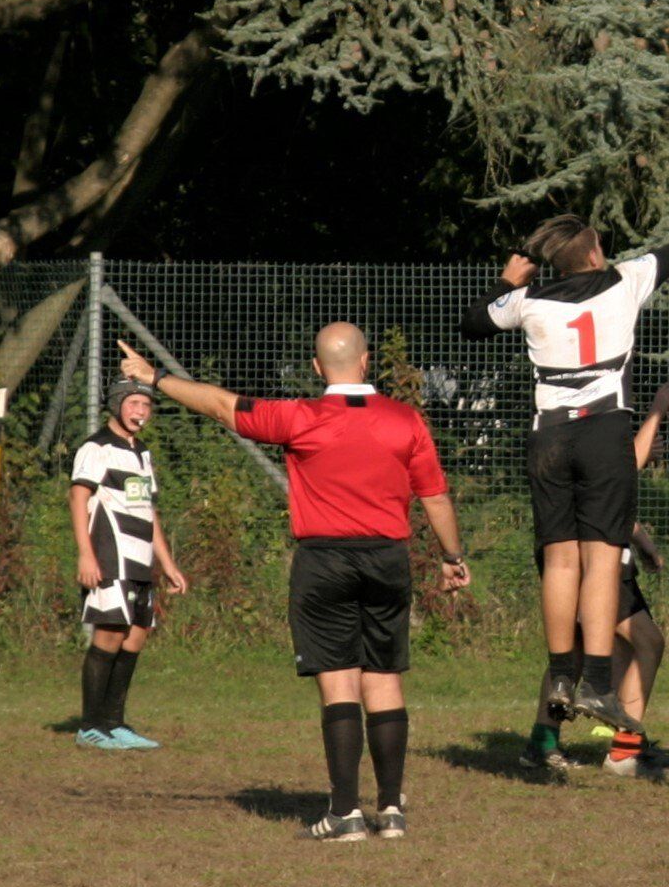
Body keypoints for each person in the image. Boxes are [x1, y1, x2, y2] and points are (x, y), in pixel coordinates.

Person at [462, 142, 669, 735]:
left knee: (560, 560)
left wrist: (509, 276)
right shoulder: (625, 281)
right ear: (595, 251)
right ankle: (599, 687)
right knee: (602, 562)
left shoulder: (528, 300)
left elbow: (474, 320)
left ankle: (562, 674)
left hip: (549, 438)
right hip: (605, 434)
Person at [117, 328, 470, 842]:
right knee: (384, 677)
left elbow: (219, 404)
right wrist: (452, 556)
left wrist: (155, 377)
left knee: (338, 681)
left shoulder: (299, 416)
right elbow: (435, 496)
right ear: (366, 363)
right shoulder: (405, 419)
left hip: (323, 560)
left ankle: (345, 813)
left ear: (317, 367)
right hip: (387, 559)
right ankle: (391, 810)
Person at [521, 383, 669, 779]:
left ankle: (543, 743)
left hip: (589, 551)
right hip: (592, 560)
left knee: (576, 651)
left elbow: (606, 501)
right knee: (647, 642)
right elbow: (625, 466)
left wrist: (641, 540)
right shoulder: (595, 424)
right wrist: (658, 409)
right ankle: (624, 751)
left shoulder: (570, 428)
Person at [69, 378, 187, 751]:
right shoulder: (96, 447)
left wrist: (166, 563)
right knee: (110, 634)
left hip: (140, 559)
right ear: (117, 405)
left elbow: (148, 511)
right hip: (109, 553)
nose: (140, 412)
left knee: (135, 637)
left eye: (146, 406)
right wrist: (86, 554)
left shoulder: (142, 453)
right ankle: (90, 726)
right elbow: (77, 498)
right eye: (134, 403)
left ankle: (114, 723)